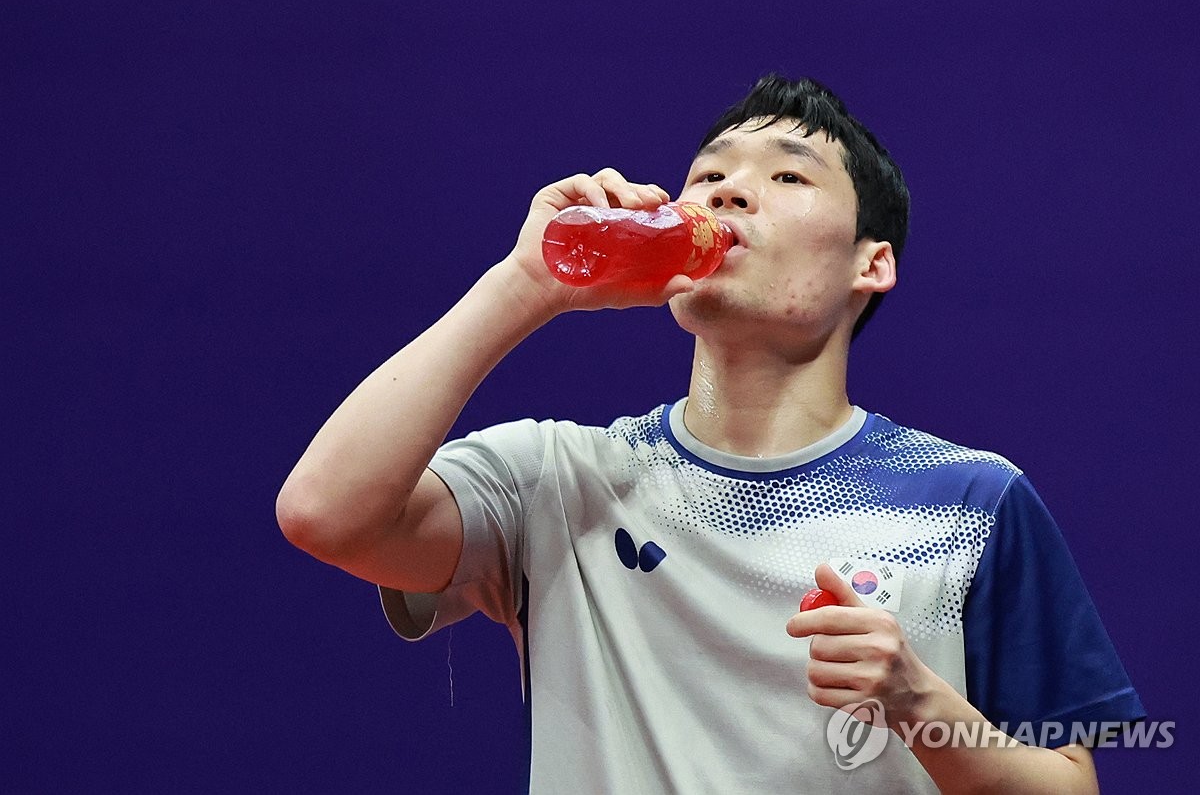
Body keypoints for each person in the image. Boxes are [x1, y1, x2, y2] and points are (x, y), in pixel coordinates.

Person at [276, 75, 1144, 793]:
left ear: (869, 263)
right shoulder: (561, 479)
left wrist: (920, 702)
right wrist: (525, 284)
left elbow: (1070, 784)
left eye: (789, 177)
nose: (727, 191)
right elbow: (324, 512)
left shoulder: (973, 500)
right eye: (708, 176)